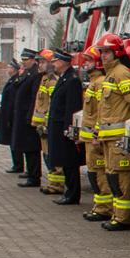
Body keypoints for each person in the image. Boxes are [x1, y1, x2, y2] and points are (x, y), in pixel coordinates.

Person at [93, 34, 130, 231]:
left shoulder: (122, 73)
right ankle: (117, 215)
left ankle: (124, 219)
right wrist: (97, 133)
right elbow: (105, 108)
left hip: (118, 138)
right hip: (108, 137)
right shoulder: (109, 76)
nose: (103, 56)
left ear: (117, 53)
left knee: (120, 177)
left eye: (107, 52)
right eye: (102, 52)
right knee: (112, 177)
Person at [45, 49, 85, 205]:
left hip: (65, 128)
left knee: (70, 162)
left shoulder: (72, 80)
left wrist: (69, 129)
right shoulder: (64, 78)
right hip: (58, 127)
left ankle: (72, 194)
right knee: (65, 161)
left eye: (55, 61)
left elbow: (72, 108)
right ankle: (69, 193)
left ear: (62, 62)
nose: (53, 64)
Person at [80, 48, 112, 221]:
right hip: (89, 137)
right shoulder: (94, 82)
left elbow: (102, 111)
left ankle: (104, 208)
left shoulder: (100, 82)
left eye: (89, 61)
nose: (85, 64)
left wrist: (97, 135)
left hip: (94, 138)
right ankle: (99, 206)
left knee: (99, 173)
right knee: (94, 173)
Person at [10, 51, 44, 186]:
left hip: (29, 117)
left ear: (33, 60)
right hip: (23, 116)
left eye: (26, 59)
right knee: (26, 146)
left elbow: (34, 98)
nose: (23, 62)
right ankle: (30, 173)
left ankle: (34, 176)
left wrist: (31, 117)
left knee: (32, 148)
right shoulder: (28, 73)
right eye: (22, 59)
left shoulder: (35, 75)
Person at [30, 49, 61, 193]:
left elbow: (51, 105)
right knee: (47, 155)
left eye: (42, 62)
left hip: (48, 126)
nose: (39, 65)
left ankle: (57, 185)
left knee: (53, 156)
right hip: (42, 126)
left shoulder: (53, 81)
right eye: (38, 62)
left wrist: (47, 125)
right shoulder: (44, 79)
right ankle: (52, 183)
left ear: (49, 64)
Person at [0, 60, 25, 173]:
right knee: (12, 141)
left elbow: (12, 101)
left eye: (9, 67)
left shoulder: (16, 81)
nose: (7, 69)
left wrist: (9, 117)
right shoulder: (12, 81)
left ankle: (18, 165)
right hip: (9, 115)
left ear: (14, 69)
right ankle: (16, 164)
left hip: (12, 116)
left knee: (15, 142)